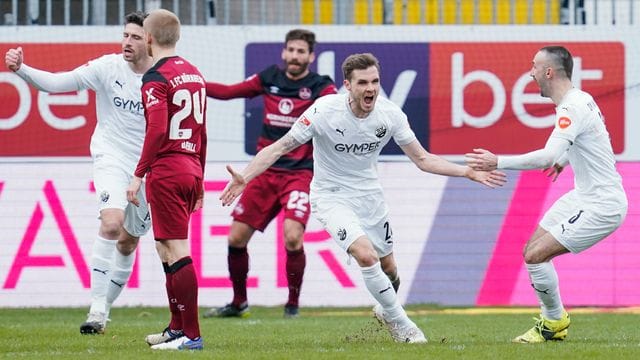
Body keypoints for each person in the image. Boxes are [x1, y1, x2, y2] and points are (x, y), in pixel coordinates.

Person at [220, 53, 506, 343]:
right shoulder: (324, 111)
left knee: (390, 269)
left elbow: (422, 159)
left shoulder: (390, 114)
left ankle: (387, 310)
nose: (370, 89)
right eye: (363, 83)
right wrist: (246, 176)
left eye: (375, 82)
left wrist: (466, 173)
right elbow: (278, 148)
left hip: (369, 197)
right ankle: (404, 326)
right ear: (347, 85)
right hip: (330, 196)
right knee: (365, 254)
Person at [465, 45, 628, 343]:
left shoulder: (571, 106)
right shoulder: (582, 99)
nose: (530, 73)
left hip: (603, 205)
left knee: (536, 256)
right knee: (531, 252)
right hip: (583, 195)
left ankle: (553, 323)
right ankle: (553, 320)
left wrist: (497, 161)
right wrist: (564, 161)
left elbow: (545, 156)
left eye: (534, 66)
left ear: (549, 72)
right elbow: (594, 139)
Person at [4, 11, 153, 335]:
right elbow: (58, 83)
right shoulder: (107, 67)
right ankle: (96, 311)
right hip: (111, 157)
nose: (127, 42)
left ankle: (105, 307)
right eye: (125, 35)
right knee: (111, 224)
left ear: (150, 41)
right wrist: (22, 70)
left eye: (135, 37)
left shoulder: (162, 78)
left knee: (128, 243)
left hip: (147, 167)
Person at [203, 29, 337, 319]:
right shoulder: (269, 78)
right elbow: (228, 92)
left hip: (299, 174)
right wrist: (192, 84)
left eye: (301, 51)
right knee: (236, 238)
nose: (295, 56)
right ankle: (239, 303)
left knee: (292, 238)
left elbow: (338, 107)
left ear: (311, 57)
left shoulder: (321, 86)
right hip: (264, 173)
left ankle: (292, 306)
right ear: (283, 52)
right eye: (291, 50)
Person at [126, 8, 207, 351]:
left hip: (168, 170)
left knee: (176, 249)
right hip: (189, 166)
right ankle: (176, 327)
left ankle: (191, 334)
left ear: (148, 38)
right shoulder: (194, 73)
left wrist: (138, 174)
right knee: (164, 248)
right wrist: (200, 178)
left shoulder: (155, 78)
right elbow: (202, 131)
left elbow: (157, 128)